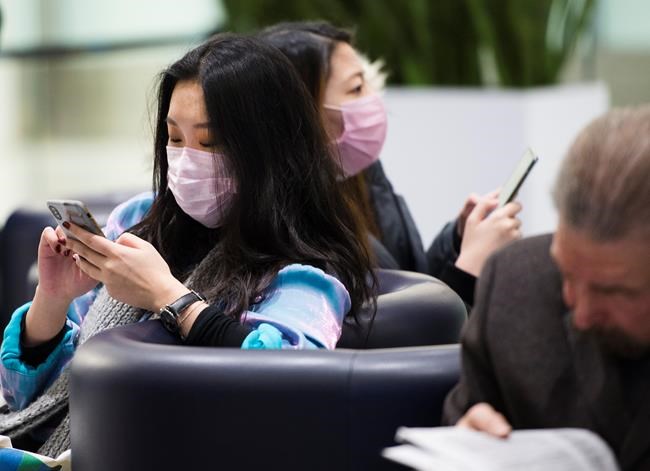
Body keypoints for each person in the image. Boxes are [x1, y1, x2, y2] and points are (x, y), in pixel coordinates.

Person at [0, 33, 375, 458]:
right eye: (175, 139)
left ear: (268, 148)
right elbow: (26, 402)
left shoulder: (304, 272)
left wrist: (167, 297)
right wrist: (51, 299)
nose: (187, 158)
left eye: (210, 142)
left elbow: (284, 386)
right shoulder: (138, 222)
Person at [443, 105, 650, 471]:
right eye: (566, 273)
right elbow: (465, 419)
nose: (581, 314)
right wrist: (465, 442)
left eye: (614, 292)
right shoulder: (515, 284)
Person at [259, 21, 523, 306]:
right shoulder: (291, 237)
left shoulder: (362, 173)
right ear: (300, 110)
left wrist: (458, 242)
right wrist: (469, 270)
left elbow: (411, 279)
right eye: (357, 88)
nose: (374, 98)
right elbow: (394, 336)